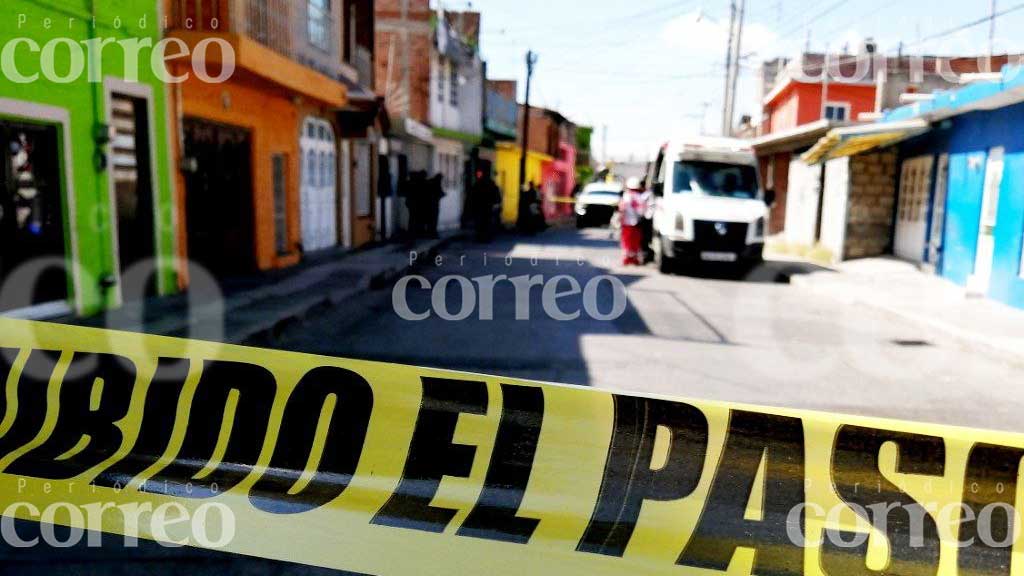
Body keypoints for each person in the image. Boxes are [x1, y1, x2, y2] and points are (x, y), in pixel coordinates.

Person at [619, 177, 652, 266]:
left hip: (627, 222)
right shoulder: (639, 196)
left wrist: (620, 219)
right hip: (636, 222)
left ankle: (628, 258)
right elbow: (642, 210)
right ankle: (634, 259)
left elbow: (622, 209)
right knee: (635, 242)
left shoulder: (627, 195)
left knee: (627, 242)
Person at [470, 169, 502, 243]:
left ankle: (481, 237)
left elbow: (472, 196)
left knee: (480, 223)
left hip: (481, 207)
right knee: (487, 223)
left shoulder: (478, 184)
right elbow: (497, 197)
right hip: (487, 207)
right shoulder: (492, 185)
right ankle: (485, 237)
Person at [425, 173, 445, 239]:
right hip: (433, 204)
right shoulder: (436, 183)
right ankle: (432, 233)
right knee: (433, 220)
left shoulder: (431, 182)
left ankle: (430, 233)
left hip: (429, 204)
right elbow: (440, 192)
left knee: (430, 220)